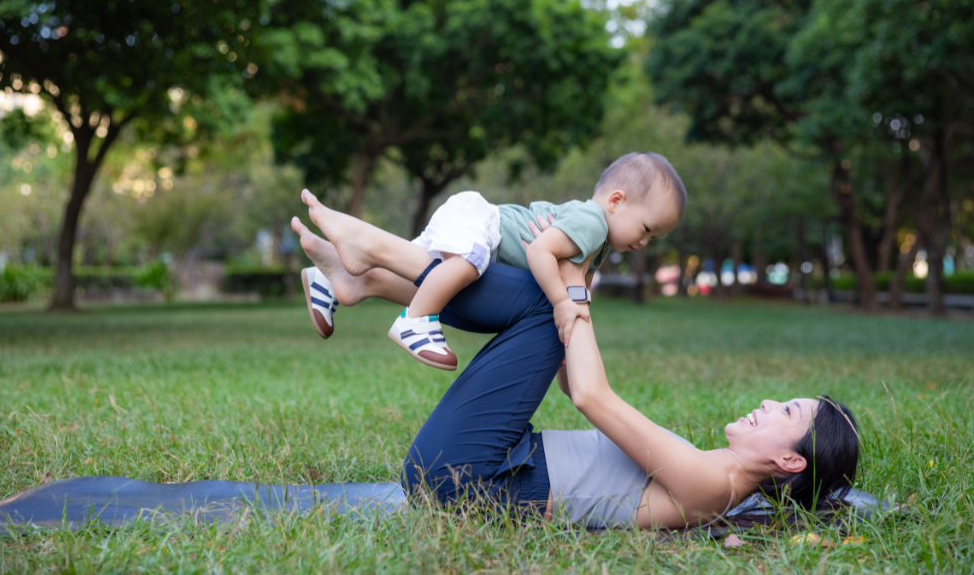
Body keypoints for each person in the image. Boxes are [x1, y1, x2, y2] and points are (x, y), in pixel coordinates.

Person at [290, 196, 860, 529]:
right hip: (477, 468)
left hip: (463, 478)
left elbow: (592, 397)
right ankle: (360, 278)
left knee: (544, 298)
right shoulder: (713, 476)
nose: (767, 403)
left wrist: (569, 280)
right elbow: (573, 381)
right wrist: (565, 282)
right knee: (542, 297)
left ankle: (374, 259)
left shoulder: (713, 484)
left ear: (790, 459)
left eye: (787, 408)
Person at [301, 152, 686, 371]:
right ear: (617, 201)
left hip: (479, 232)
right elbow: (539, 252)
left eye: (654, 238)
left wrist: (569, 352)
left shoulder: (596, 245)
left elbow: (575, 289)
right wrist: (562, 302)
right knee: (469, 262)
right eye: (647, 228)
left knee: (438, 276)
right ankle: (415, 321)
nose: (644, 242)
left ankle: (341, 279)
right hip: (482, 223)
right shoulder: (593, 222)